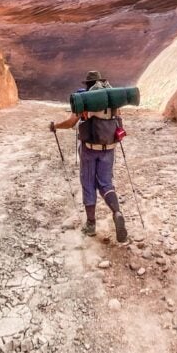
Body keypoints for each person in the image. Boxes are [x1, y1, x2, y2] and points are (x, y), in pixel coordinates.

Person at [50, 71, 128, 243]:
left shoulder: (86, 99)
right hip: (109, 148)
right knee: (106, 183)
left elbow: (71, 123)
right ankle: (117, 212)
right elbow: (118, 119)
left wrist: (55, 126)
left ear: (88, 84)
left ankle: (91, 225)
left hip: (89, 149)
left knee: (88, 183)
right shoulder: (112, 99)